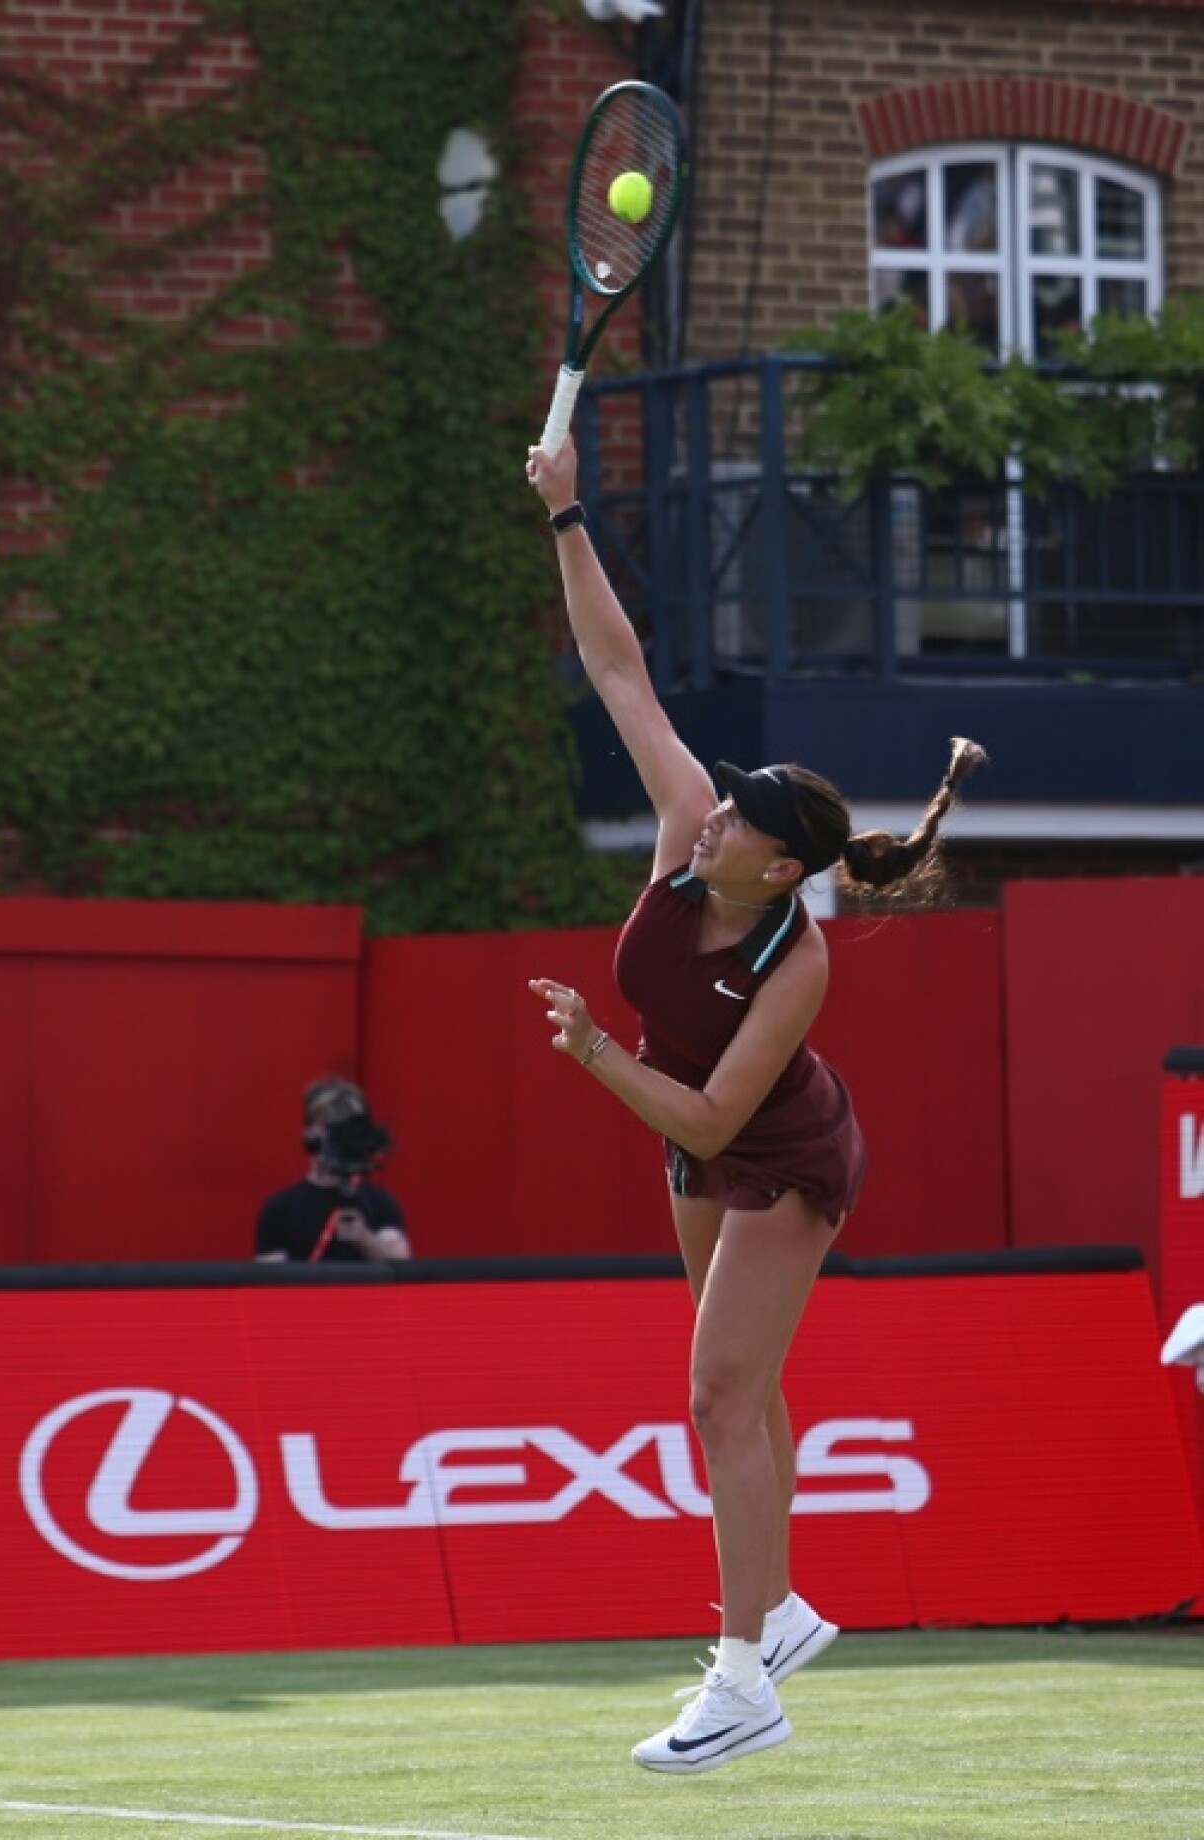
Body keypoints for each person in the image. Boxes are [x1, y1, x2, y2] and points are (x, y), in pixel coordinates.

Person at [525, 435, 985, 1775]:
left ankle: (744, 1683)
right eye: (715, 807)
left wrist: (598, 1054)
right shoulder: (683, 833)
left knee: (720, 1392)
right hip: (688, 1128)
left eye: (733, 818)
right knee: (744, 1390)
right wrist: (566, 513)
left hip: (777, 1148)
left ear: (780, 867)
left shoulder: (802, 960)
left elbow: (722, 1124)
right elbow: (618, 667)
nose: (707, 813)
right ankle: (778, 1611)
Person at [254, 1077, 411, 1264]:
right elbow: (270, 1279)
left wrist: (364, 1239)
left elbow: (401, 1264)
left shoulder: (378, 1203)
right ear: (309, 1132)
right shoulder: (280, 1209)